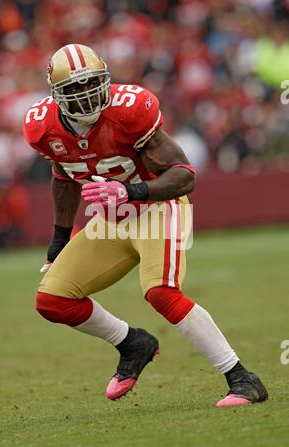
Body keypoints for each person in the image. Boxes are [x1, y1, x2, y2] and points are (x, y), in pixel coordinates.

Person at [23, 44, 268, 406]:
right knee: (52, 300)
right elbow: (63, 175)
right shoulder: (41, 127)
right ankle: (132, 344)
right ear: (57, 95)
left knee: (161, 292)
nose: (87, 95)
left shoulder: (130, 109)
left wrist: (131, 189)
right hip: (112, 220)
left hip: (157, 207)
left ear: (106, 79)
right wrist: (60, 237)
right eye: (75, 89)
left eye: (92, 83)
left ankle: (242, 378)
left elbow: (184, 176)